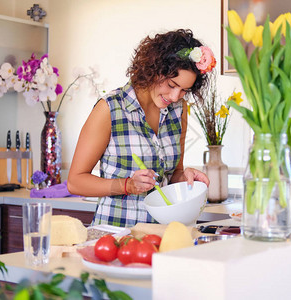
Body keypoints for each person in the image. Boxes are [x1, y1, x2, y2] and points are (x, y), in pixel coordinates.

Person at [67, 29, 216, 227]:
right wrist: (127, 185)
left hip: (162, 234)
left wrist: (186, 177)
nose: (174, 97)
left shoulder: (178, 110)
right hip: (116, 235)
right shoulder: (111, 108)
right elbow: (75, 181)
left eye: (184, 91)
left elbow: (172, 175)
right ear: (154, 69)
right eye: (172, 84)